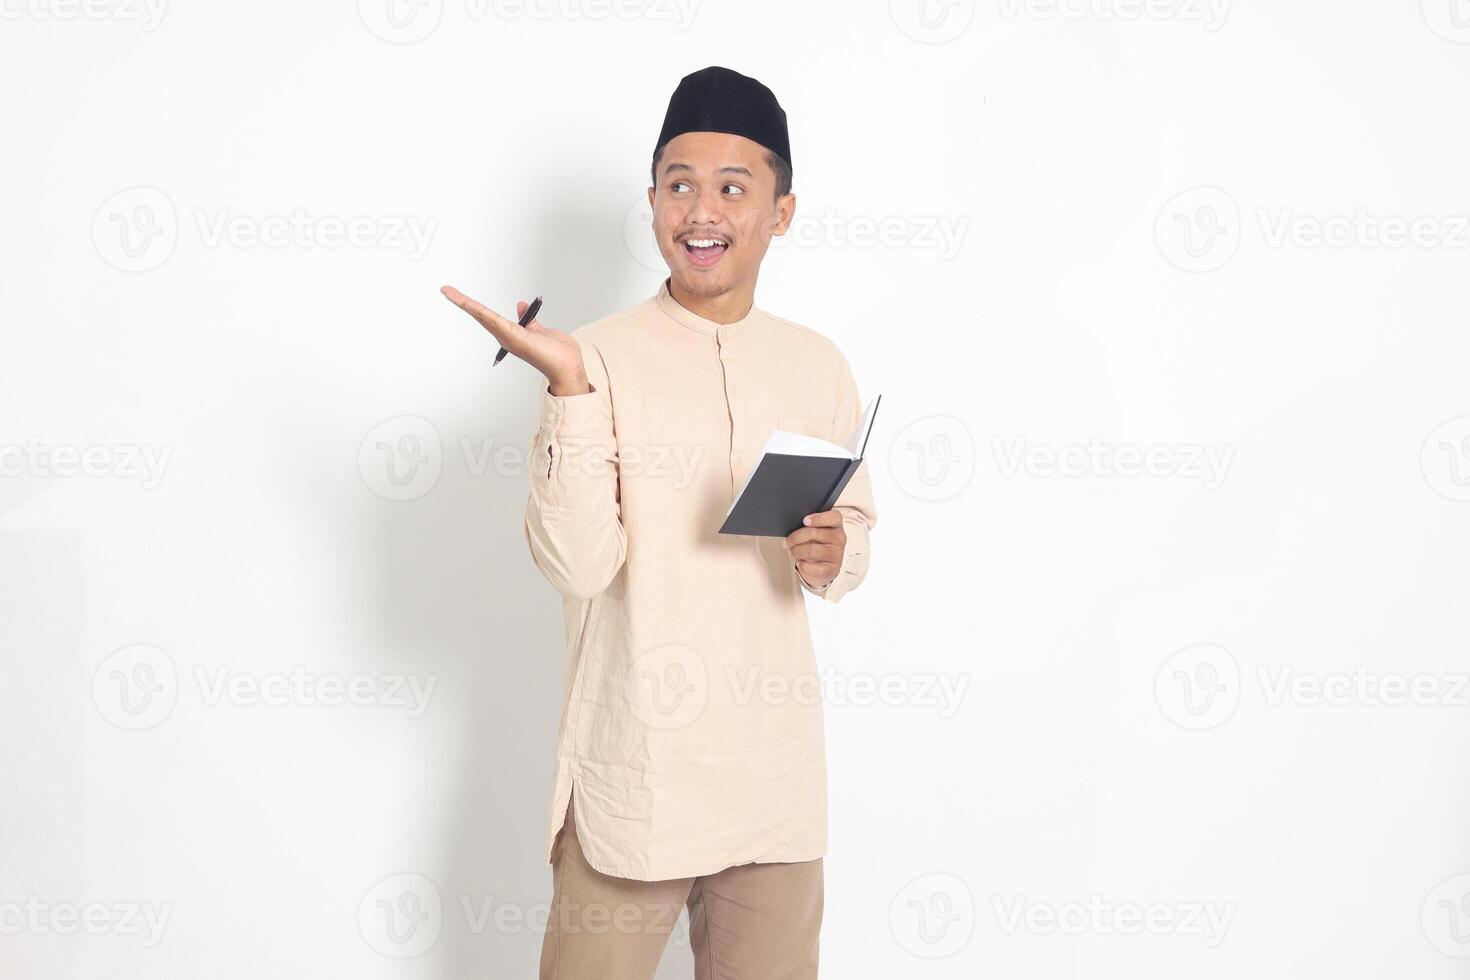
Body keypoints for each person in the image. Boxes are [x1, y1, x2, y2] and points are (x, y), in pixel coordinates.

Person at [441, 65, 877, 980]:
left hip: (773, 792)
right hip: (633, 783)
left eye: (732, 186)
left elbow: (851, 536)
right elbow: (576, 565)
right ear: (651, 202)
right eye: (679, 185)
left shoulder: (817, 365)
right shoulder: (594, 354)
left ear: (782, 211)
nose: (701, 210)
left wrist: (836, 552)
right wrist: (568, 389)